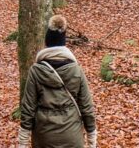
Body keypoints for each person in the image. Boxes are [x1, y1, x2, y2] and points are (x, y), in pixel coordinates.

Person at [18, 15, 97, 148]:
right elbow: (87, 107)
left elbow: (28, 108)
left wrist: (23, 142)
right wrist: (92, 139)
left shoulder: (36, 71)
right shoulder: (76, 70)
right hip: (72, 138)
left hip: (44, 137)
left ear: (47, 43)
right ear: (63, 44)